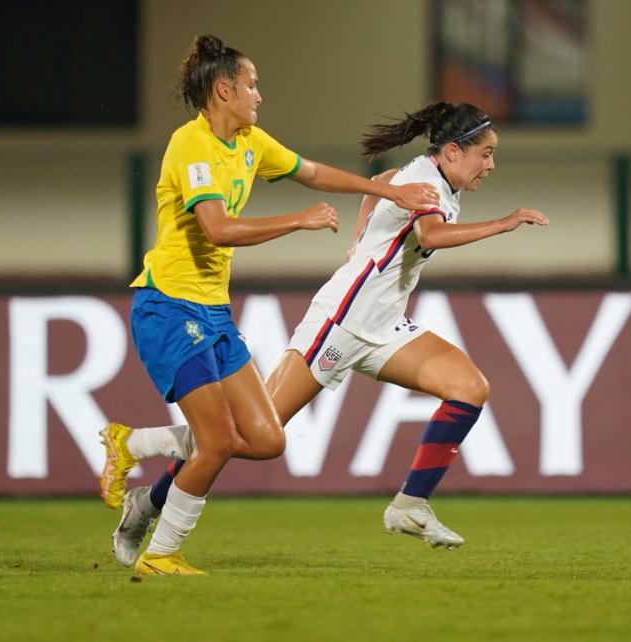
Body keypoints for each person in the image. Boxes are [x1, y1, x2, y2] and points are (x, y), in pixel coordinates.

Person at [101, 100, 548, 564]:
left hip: (386, 323)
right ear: (453, 151)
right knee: (252, 435)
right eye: (487, 153)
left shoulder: (423, 172)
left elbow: (377, 185)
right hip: (341, 323)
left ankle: (410, 505)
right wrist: (505, 222)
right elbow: (431, 237)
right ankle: (142, 473)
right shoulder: (429, 183)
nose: (491, 165)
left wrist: (361, 242)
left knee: (469, 387)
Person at [101, 34, 439, 576]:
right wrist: (297, 220)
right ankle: (162, 553)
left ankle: (133, 447)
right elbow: (217, 228)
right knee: (215, 442)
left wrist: (388, 193)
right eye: (252, 85)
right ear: (224, 89)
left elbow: (311, 171)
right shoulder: (190, 145)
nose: (259, 95)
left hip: (212, 312)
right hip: (168, 306)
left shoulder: (251, 141)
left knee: (263, 438)